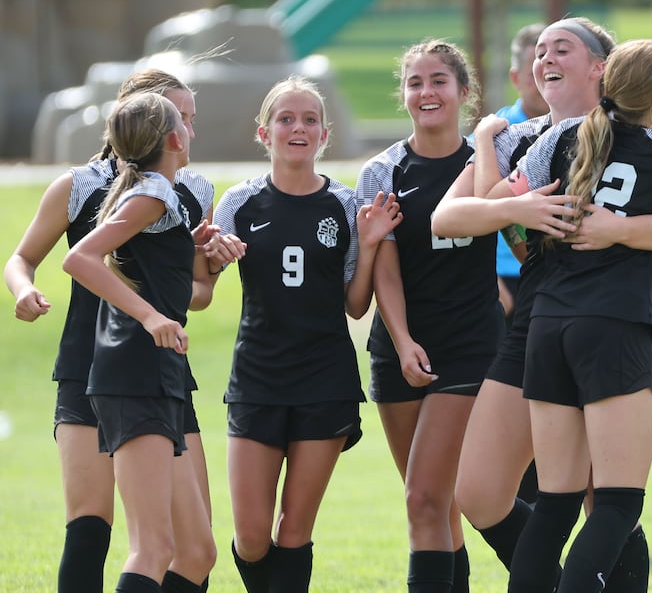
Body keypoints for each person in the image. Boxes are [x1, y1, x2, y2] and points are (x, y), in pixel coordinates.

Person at [433, 19, 652, 593]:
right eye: (539, 51)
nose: (545, 59)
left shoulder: (644, 143)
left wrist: (619, 228)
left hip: (595, 316)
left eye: (562, 49)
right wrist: (514, 202)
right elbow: (449, 217)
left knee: (595, 498)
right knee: (485, 493)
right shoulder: (526, 137)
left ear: (602, 68)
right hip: (541, 322)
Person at [4, 69, 217, 593]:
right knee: (94, 527)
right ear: (144, 121)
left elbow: (190, 295)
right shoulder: (83, 185)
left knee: (195, 551)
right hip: (94, 367)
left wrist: (209, 266)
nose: (190, 129)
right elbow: (29, 259)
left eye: (192, 117)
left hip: (158, 365)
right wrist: (23, 290)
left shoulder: (189, 190)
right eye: (180, 118)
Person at [209, 74, 401, 593]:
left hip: (324, 378)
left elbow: (356, 305)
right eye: (286, 119)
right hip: (257, 377)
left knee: (294, 530)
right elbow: (200, 290)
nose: (298, 128)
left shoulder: (343, 204)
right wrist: (206, 257)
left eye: (310, 119)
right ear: (264, 133)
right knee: (252, 538)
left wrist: (370, 243)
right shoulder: (238, 203)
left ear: (324, 134)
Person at [356, 39, 510, 593]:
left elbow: (516, 230)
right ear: (403, 94)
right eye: (415, 82)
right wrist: (401, 343)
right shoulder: (383, 170)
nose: (427, 92)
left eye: (439, 81)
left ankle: (553, 574)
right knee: (436, 507)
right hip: (398, 349)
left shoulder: (490, 157)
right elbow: (386, 270)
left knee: (425, 497)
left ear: (464, 92)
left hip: (471, 344)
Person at [494, 23, 549, 335]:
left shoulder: (586, 131)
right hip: (507, 278)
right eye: (534, 72)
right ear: (515, 78)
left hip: (561, 274)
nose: (544, 80)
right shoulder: (496, 136)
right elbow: (468, 209)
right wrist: (492, 283)